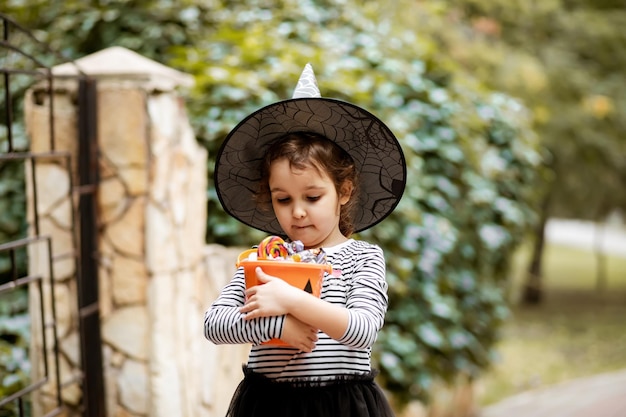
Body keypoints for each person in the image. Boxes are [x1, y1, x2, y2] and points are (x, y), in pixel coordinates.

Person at [204, 63, 406, 417]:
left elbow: (362, 330)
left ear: (344, 191)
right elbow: (215, 323)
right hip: (268, 405)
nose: (297, 212)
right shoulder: (264, 259)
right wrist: (279, 325)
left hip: (343, 406)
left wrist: (289, 299)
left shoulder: (363, 258)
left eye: (312, 198)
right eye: (283, 199)